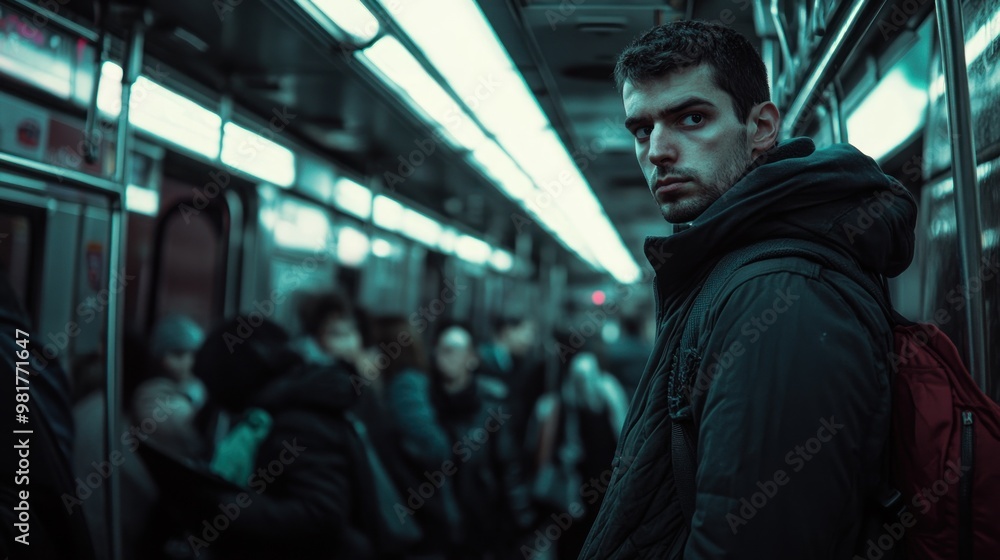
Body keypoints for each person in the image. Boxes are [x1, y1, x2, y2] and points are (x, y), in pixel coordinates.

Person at [579, 20, 917, 559]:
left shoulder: (779, 295)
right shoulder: (730, 270)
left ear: (760, 127)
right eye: (641, 131)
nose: (659, 151)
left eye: (691, 118)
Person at [429, 322, 534, 559]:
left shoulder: (490, 404)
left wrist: (521, 518)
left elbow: (507, 466)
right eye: (442, 349)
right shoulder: (425, 406)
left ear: (471, 357)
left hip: (482, 518)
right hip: (439, 521)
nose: (447, 357)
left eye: (455, 349)